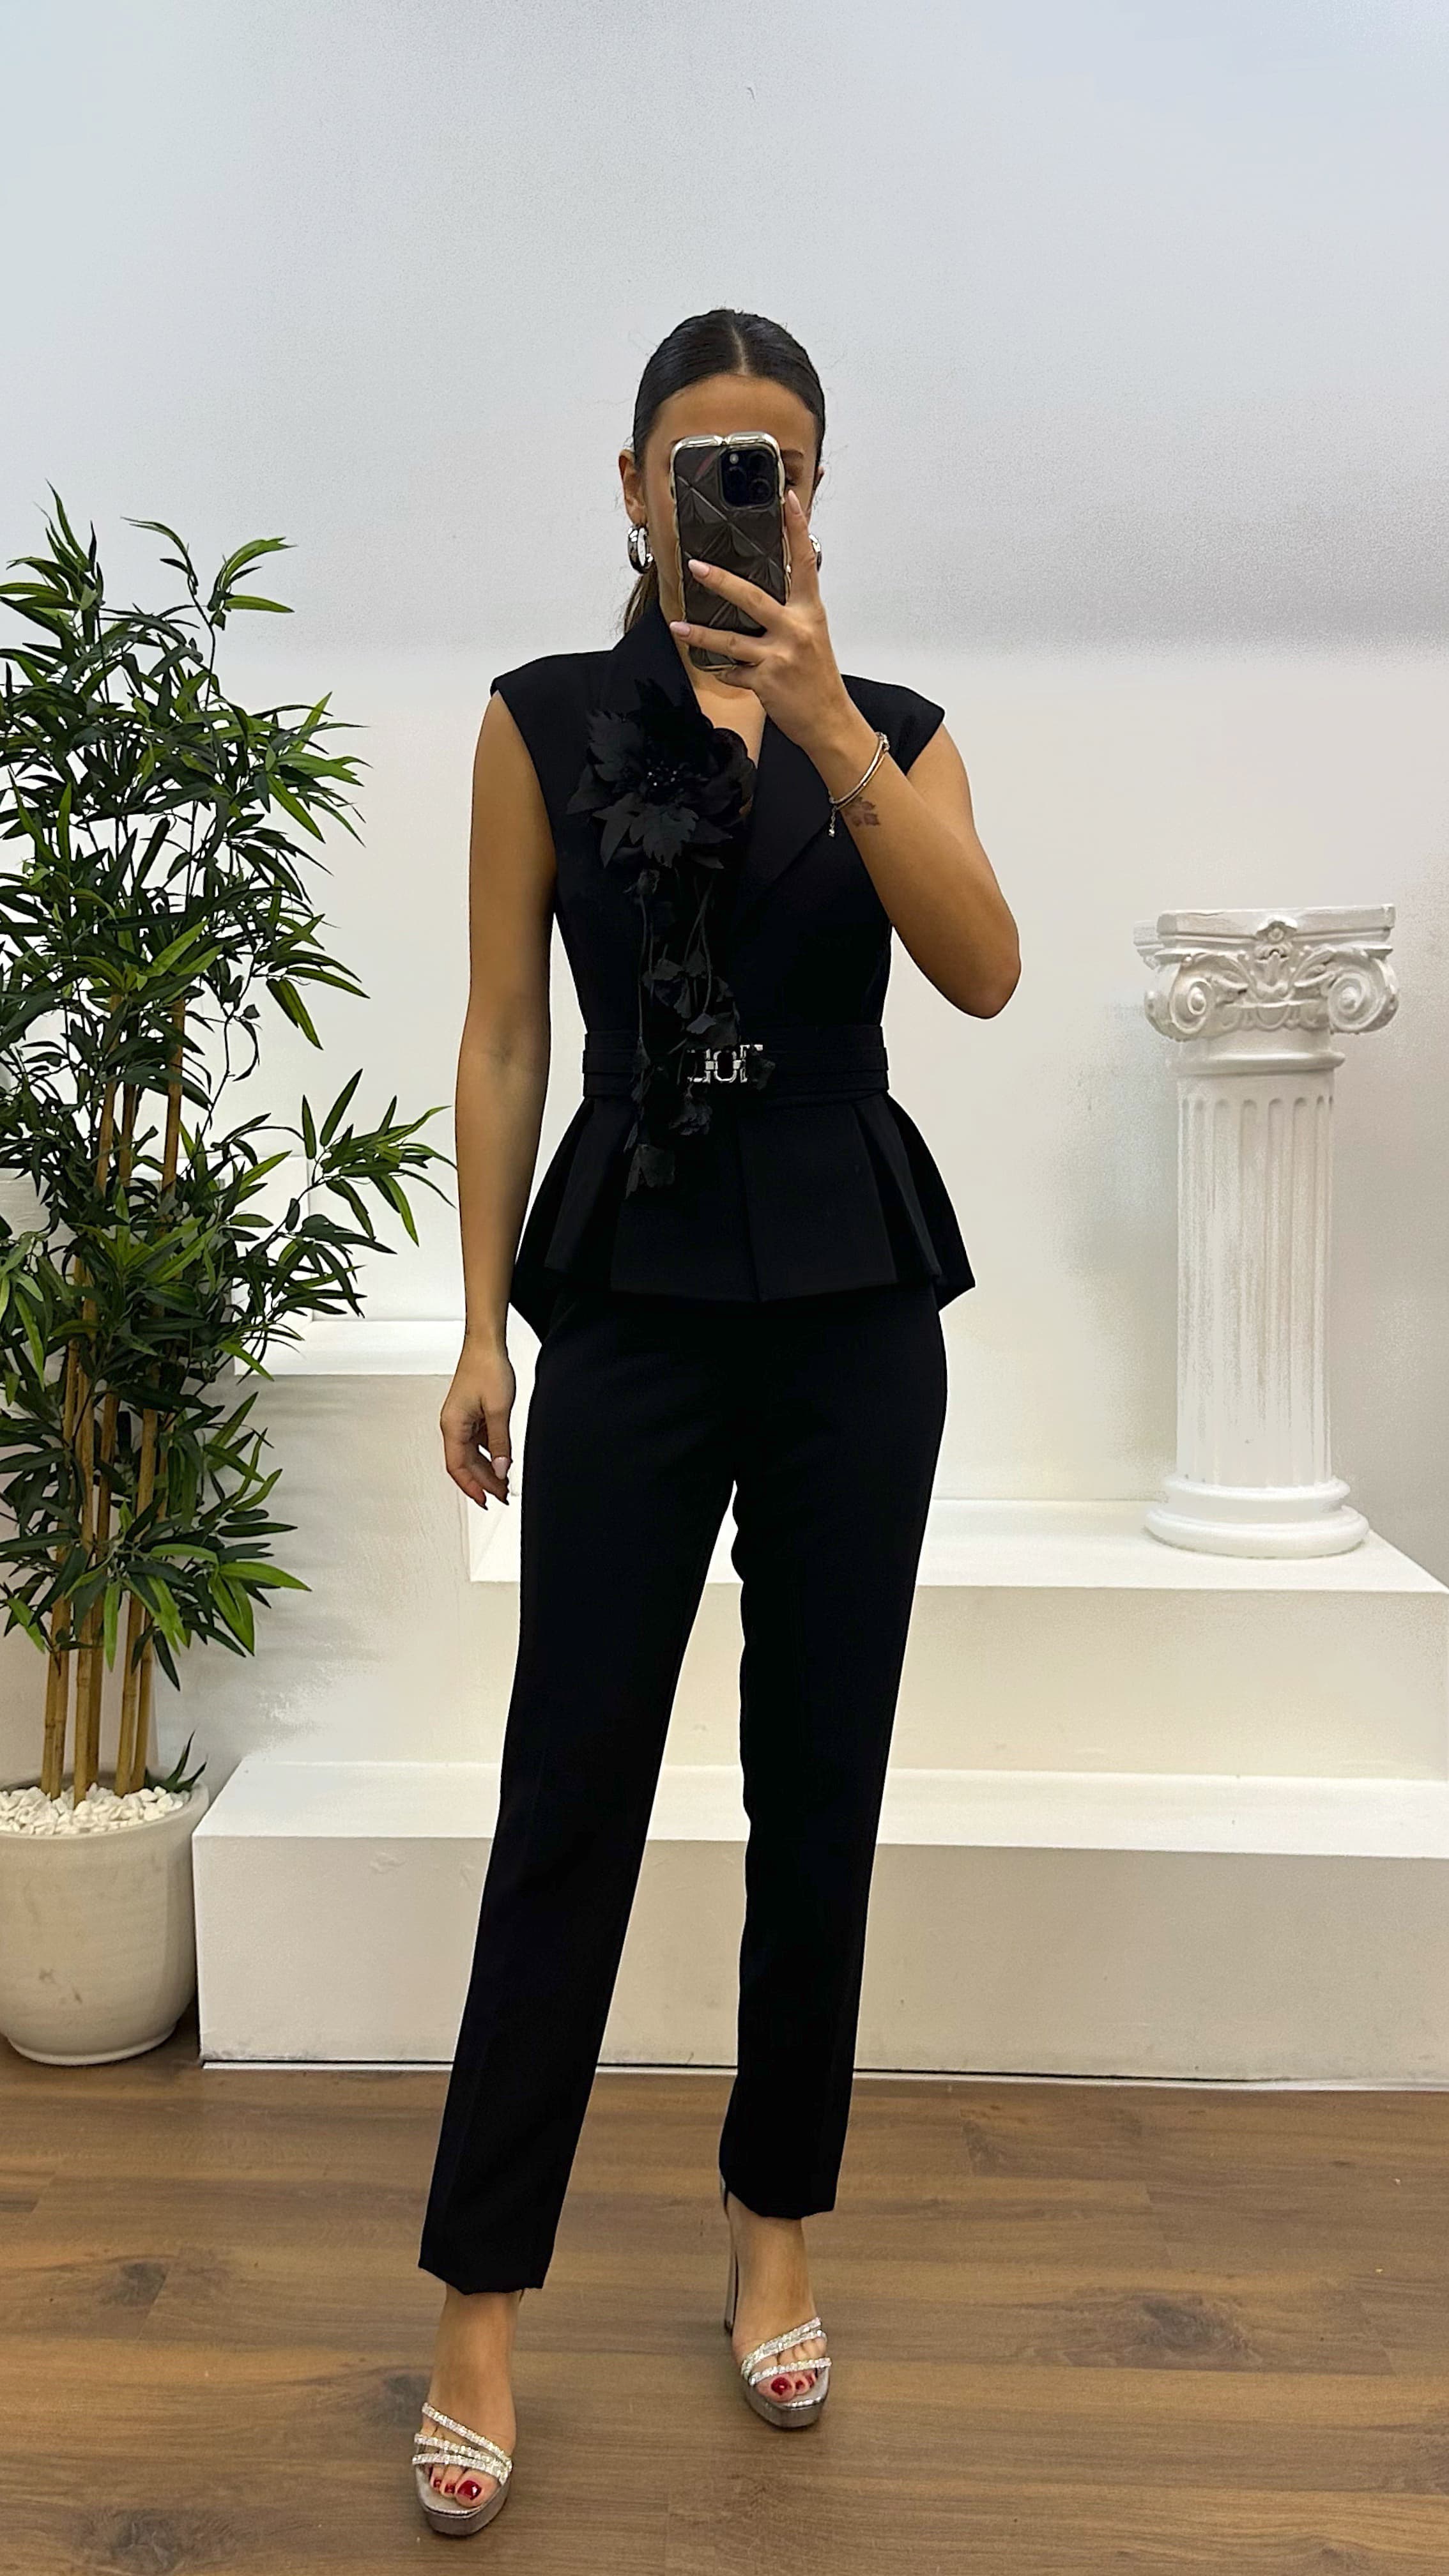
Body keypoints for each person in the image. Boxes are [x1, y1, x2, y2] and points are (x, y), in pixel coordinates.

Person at [411, 307, 1020, 2534]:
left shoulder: (901, 729)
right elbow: (501, 1033)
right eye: (698, 460)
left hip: (855, 1294)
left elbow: (983, 968)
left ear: (816, 492)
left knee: (818, 1785)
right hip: (639, 1292)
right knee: (565, 1783)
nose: (736, 492)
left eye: (775, 462)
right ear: (632, 486)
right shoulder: (539, 721)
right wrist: (477, 1326)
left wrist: (829, 718)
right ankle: (480, 2302)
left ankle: (776, 2227)